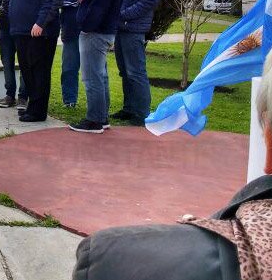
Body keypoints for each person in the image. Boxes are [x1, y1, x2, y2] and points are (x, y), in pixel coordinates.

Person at [72, 51, 272, 280]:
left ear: (268, 140)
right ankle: (131, 110)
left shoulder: (110, 260)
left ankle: (123, 112)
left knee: (117, 73)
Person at [69, 0, 123, 134]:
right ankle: (102, 117)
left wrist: (86, 27)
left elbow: (99, 7)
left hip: (95, 33)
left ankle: (95, 120)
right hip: (100, 32)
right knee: (100, 76)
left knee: (92, 78)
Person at [9, 0, 63, 122]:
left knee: (38, 71)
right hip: (22, 31)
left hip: (39, 31)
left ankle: (38, 111)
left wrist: (41, 23)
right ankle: (33, 106)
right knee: (28, 71)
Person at [112, 0, 161, 126]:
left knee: (136, 72)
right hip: (122, 29)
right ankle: (129, 108)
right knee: (125, 71)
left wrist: (124, 15)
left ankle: (141, 114)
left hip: (133, 29)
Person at [0, 0, 26, 108]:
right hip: (5, 28)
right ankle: (10, 95)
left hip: (23, 29)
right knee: (7, 62)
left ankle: (23, 97)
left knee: (24, 63)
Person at [60, 0, 90, 108]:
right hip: (70, 33)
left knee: (94, 71)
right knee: (69, 69)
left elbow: (93, 1)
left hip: (91, 34)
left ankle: (95, 101)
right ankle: (69, 100)